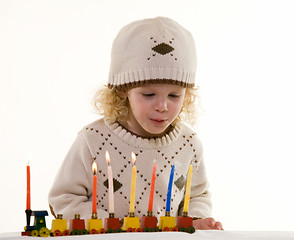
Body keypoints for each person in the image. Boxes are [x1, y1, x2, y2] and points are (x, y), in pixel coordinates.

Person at [48, 16, 223, 230]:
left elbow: (198, 195)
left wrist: (197, 219)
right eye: (149, 94)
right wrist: (117, 225)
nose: (162, 106)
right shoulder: (93, 140)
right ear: (122, 89)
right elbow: (63, 199)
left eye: (174, 96)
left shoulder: (189, 144)